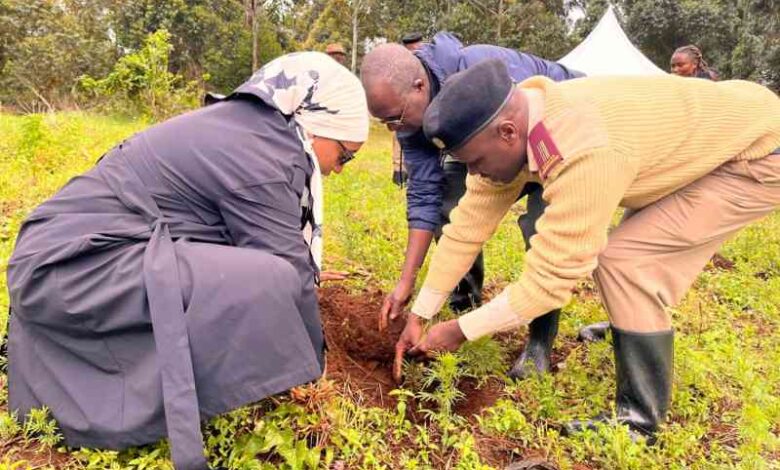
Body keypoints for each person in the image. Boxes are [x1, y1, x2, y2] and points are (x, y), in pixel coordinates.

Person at [6, 52, 368, 470]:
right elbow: (290, 271)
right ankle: (127, 404)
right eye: (345, 155)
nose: (340, 170)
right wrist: (314, 372)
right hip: (74, 267)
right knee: (272, 278)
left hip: (72, 254)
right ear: (313, 126)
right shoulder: (262, 152)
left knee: (251, 274)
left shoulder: (250, 129)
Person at [403, 58, 780, 439]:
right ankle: (629, 322)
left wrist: (460, 330)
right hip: (704, 141)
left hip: (756, 155)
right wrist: (420, 313)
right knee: (631, 255)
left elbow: (549, 281)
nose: (474, 173)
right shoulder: (517, 124)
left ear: (508, 132)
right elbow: (466, 229)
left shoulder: (583, 147)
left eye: (475, 162)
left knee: (626, 263)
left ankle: (639, 421)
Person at [360, 32, 587, 380]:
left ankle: (539, 342)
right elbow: (425, 194)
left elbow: (527, 125)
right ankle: (462, 303)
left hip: (560, 136)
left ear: (420, 87)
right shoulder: (409, 120)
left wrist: (460, 332)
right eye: (385, 123)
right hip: (503, 147)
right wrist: (408, 287)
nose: (395, 129)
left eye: (395, 118)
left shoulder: (483, 71)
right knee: (452, 204)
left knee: (540, 226)